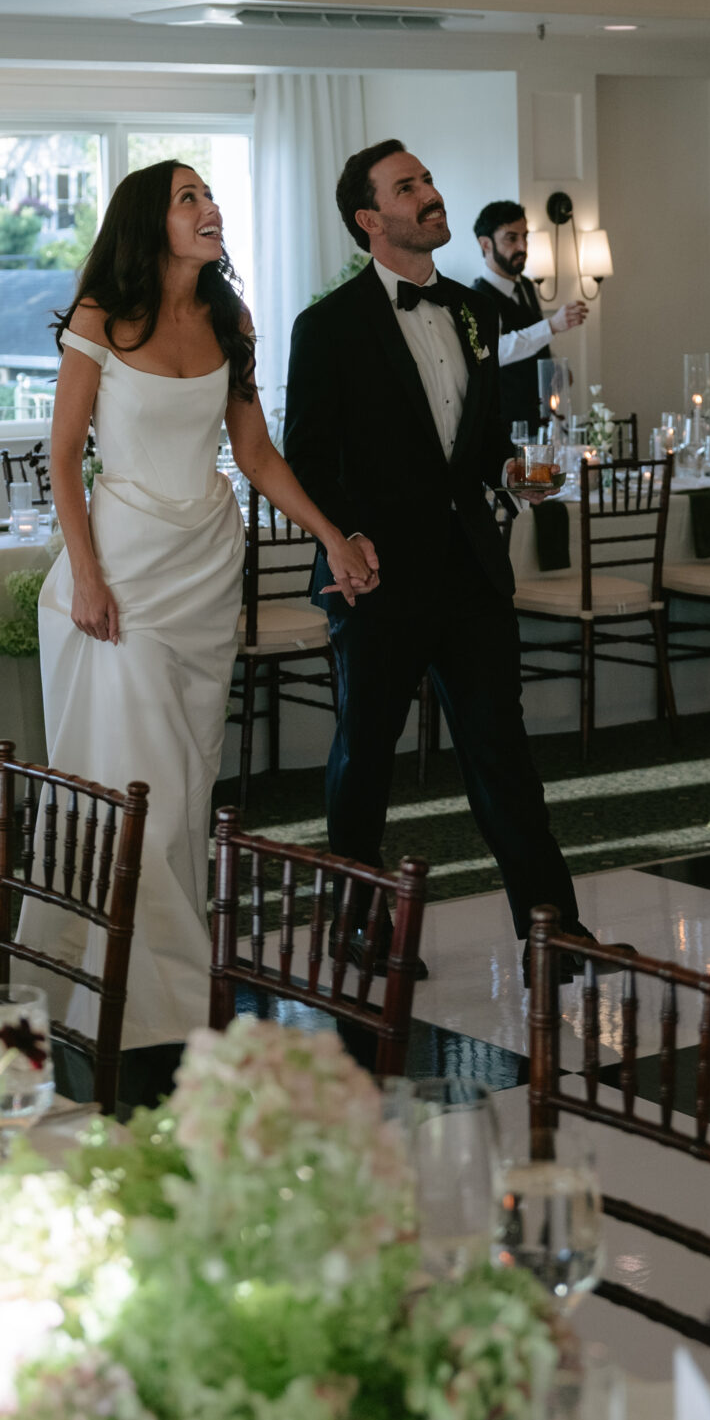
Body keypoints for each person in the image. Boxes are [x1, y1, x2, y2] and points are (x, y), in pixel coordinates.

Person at [34, 159, 378, 1049]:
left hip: (205, 565)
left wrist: (333, 537)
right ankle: (153, 984)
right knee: (143, 771)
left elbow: (256, 454)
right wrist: (85, 575)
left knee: (188, 774)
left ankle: (166, 963)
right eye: (187, 198)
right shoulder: (100, 317)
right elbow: (63, 455)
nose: (209, 207)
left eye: (208, 195)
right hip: (124, 571)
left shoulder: (231, 320)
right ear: (150, 221)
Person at [285, 141, 584, 974]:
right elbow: (305, 457)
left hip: (468, 567)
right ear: (369, 219)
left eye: (427, 180)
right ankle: (357, 927)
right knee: (364, 754)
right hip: (375, 573)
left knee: (502, 755)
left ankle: (551, 930)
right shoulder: (327, 326)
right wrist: (341, 540)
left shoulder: (471, 312)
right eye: (406, 186)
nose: (429, 193)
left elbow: (477, 441)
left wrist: (509, 471)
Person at [473, 198, 590, 439]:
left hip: (542, 418)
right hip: (507, 427)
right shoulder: (477, 298)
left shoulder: (527, 286)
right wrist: (552, 325)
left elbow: (531, 337)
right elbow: (494, 351)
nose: (523, 246)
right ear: (485, 244)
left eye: (525, 237)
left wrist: (555, 367)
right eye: (511, 238)